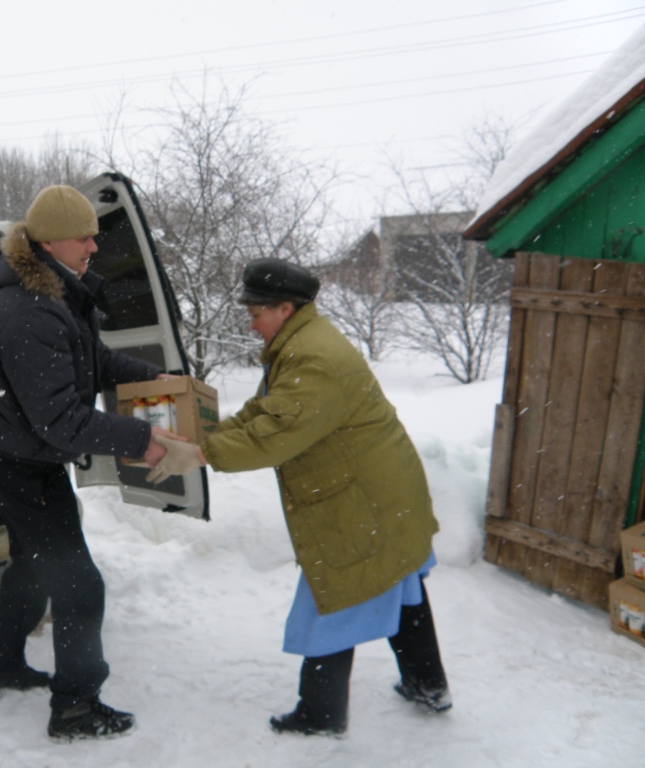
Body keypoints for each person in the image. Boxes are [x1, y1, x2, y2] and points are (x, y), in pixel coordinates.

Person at [149, 257, 451, 737]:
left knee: (334, 595)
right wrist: (206, 437)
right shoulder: (300, 344)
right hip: (382, 491)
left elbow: (276, 434)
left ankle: (320, 714)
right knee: (400, 581)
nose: (249, 320)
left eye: (256, 311)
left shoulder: (314, 358)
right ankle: (427, 684)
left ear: (285, 308)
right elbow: (263, 412)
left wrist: (201, 454)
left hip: (362, 501)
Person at [0, 184, 178, 742]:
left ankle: (2, 666)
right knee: (80, 585)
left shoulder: (57, 294)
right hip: (23, 464)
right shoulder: (29, 313)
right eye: (84, 236)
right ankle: (75, 710)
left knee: (34, 566)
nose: (93, 245)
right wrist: (144, 441)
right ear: (50, 240)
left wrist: (148, 376)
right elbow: (61, 420)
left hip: (23, 456)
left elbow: (93, 359)